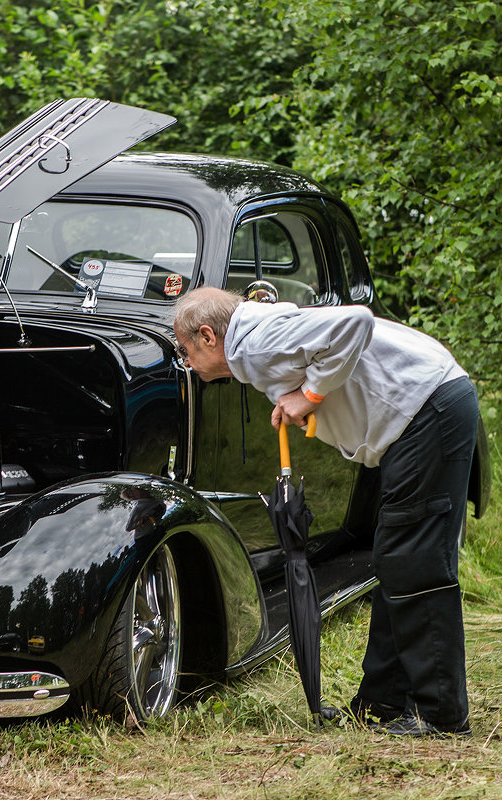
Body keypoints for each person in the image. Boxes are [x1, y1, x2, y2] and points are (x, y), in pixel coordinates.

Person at [172, 286, 478, 738]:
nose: (186, 363)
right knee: (398, 559)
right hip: (423, 409)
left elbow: (356, 321)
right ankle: (382, 705)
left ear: (207, 336)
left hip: (427, 408)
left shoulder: (253, 340)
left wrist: (310, 396)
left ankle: (443, 718)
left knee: (416, 563)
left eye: (185, 351)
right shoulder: (253, 337)